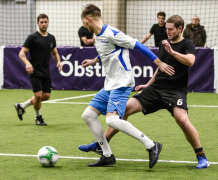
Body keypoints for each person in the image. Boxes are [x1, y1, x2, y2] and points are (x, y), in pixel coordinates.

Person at [79, 15, 210, 169]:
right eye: (166, 29)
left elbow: (190, 61)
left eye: (170, 29)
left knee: (182, 120)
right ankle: (103, 144)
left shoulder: (187, 44)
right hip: (156, 89)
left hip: (175, 90)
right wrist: (148, 84)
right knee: (124, 109)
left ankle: (201, 156)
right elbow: (159, 67)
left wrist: (173, 52)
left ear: (180, 29)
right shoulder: (164, 43)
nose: (167, 31)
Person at [79, 4, 173, 168]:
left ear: (88, 19)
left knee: (112, 121)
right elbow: (106, 50)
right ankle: (107, 155)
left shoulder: (112, 33)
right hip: (110, 84)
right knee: (88, 115)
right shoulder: (100, 35)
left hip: (122, 82)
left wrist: (160, 63)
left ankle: (151, 145)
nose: (83, 26)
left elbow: (139, 45)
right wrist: (94, 60)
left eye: (84, 22)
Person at [14, 14, 62, 126]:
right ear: (38, 23)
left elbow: (55, 53)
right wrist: (27, 63)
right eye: (41, 22)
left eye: (45, 22)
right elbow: (21, 53)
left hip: (46, 71)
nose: (44, 24)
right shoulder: (32, 37)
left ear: (48, 23)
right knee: (38, 95)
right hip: (34, 70)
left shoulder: (51, 38)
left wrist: (58, 62)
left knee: (46, 96)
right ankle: (38, 118)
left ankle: (21, 106)